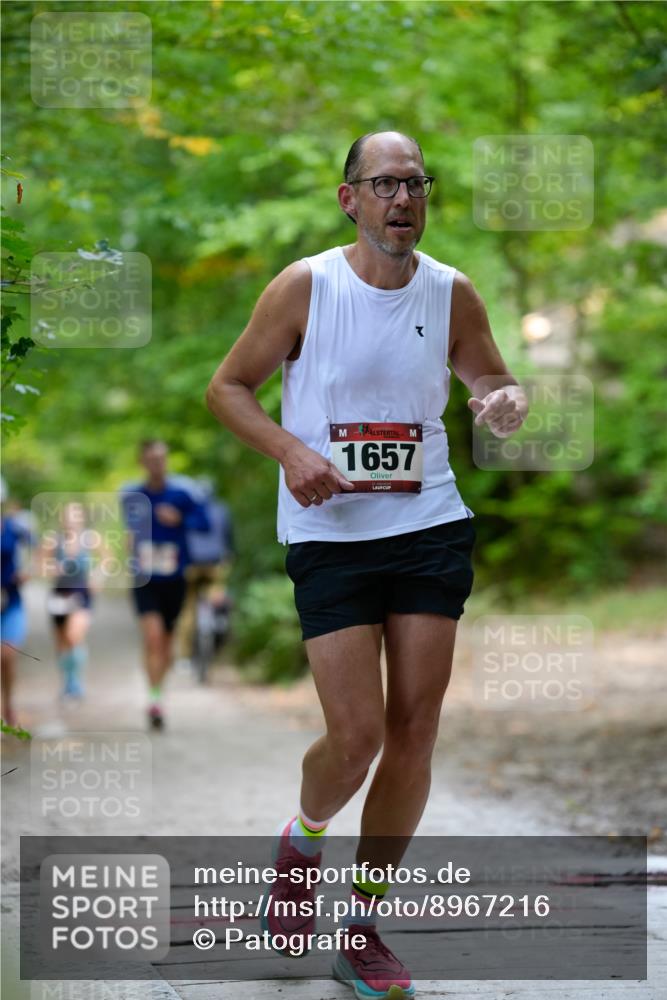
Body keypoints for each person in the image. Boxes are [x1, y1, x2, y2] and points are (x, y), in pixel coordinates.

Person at [206, 131, 527, 1000]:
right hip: (330, 532)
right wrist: (290, 452)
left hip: (427, 525)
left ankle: (362, 927)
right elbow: (226, 387)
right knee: (357, 739)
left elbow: (491, 379)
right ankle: (303, 839)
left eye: (416, 183)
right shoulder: (305, 286)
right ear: (349, 199)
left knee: (414, 729)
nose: (404, 199)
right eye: (385, 184)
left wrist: (505, 400)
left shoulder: (450, 291)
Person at [120, 440, 209, 730]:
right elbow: (130, 530)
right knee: (153, 637)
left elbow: (205, 522)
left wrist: (180, 519)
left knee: (167, 643)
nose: (157, 464)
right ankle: (154, 699)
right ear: (142, 462)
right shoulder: (132, 495)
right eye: (152, 459)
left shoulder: (183, 492)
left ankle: (158, 689)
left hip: (175, 577)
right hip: (144, 577)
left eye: (161, 458)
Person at [176, 477, 235, 667]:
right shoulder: (222, 510)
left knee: (188, 609)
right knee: (218, 596)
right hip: (215, 565)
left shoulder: (187, 512)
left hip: (191, 566)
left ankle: (185, 657)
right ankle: (220, 625)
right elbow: (229, 538)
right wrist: (230, 556)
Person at [41, 501, 95, 699]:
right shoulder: (53, 540)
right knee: (61, 641)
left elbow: (108, 559)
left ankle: (76, 682)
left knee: (74, 635)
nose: (71, 520)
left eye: (76, 515)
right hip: (59, 594)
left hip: (81, 594)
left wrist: (98, 576)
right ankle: (67, 682)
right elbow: (40, 564)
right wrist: (52, 568)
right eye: (68, 516)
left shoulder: (90, 539)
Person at [1, 479, 33, 729]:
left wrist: (26, 571)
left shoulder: (15, 528)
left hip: (10, 601)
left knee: (7, 655)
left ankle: (8, 705)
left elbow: (38, 549)